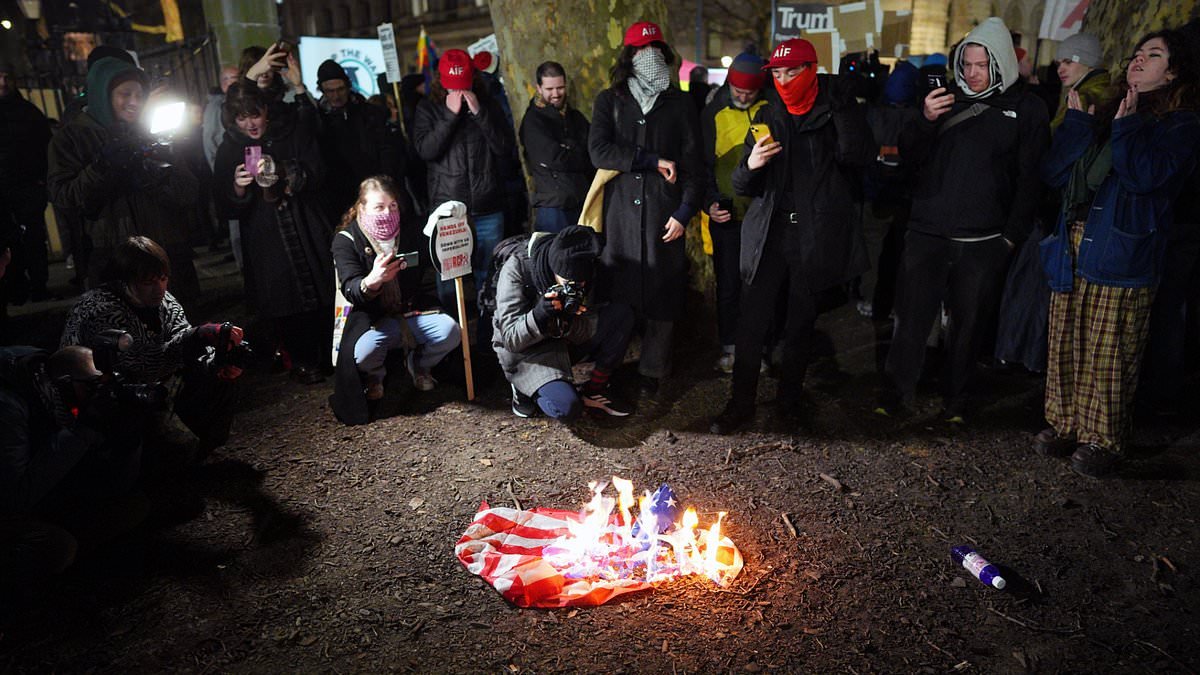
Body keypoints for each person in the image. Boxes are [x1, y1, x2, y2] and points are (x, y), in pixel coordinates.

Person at [1037, 29, 1200, 477]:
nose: (1138, 60)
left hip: (1124, 250)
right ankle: (1065, 423)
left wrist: (1126, 129)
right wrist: (1076, 127)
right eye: (1137, 52)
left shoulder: (1181, 125)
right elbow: (1054, 174)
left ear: (1173, 72)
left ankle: (1103, 439)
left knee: (1109, 351)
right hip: (1075, 241)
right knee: (1067, 339)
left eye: (1154, 55)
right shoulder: (1109, 111)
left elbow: (1146, 178)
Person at [879, 18, 1049, 422]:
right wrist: (925, 119)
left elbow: (1031, 178)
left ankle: (956, 400)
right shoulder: (944, 99)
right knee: (911, 321)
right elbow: (908, 156)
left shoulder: (1027, 109)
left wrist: (1010, 237)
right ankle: (896, 395)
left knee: (968, 327)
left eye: (981, 66)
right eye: (966, 64)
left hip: (983, 240)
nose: (971, 73)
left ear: (1001, 63)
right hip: (927, 232)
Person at [708, 38, 874, 434]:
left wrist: (843, 108)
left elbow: (858, 157)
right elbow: (742, 185)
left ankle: (789, 404)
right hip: (770, 234)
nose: (783, 81)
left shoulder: (834, 110)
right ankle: (740, 404)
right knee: (752, 324)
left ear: (811, 71)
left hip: (814, 236)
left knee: (800, 323)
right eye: (777, 74)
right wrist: (751, 164)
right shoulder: (769, 114)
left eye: (791, 72)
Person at [588, 21, 704, 397]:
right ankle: (609, 364)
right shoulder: (610, 100)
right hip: (620, 216)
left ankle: (654, 370)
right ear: (629, 56)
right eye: (641, 50)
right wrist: (650, 160)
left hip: (663, 214)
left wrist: (684, 212)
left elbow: (694, 164)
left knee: (663, 294)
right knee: (619, 292)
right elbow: (599, 151)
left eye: (655, 50)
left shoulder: (680, 103)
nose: (649, 57)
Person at [60, 236, 247, 452]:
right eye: (148, 282)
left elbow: (182, 340)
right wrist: (196, 337)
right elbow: (142, 366)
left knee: (218, 377)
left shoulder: (164, 301)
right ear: (125, 280)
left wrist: (217, 361)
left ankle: (197, 448)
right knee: (174, 445)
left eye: (163, 279)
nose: (159, 289)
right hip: (104, 404)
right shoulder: (101, 310)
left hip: (153, 386)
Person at [46, 56, 202, 304]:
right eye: (125, 94)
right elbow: (65, 198)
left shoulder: (154, 131)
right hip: (116, 260)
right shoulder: (72, 138)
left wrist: (156, 177)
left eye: (140, 95)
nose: (135, 102)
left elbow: (189, 192)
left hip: (168, 253)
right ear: (103, 95)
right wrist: (101, 168)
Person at [0, 345, 147, 606]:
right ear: (66, 383)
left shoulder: (55, 393)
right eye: (93, 386)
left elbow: (110, 481)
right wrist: (84, 429)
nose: (100, 394)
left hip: (33, 491)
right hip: (8, 501)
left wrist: (128, 439)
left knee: (132, 507)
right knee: (57, 548)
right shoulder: (10, 406)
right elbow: (16, 497)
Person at [214, 81, 335, 384]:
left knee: (322, 288)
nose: (250, 123)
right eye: (241, 117)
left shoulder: (291, 131)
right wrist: (237, 188)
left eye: (254, 114)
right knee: (284, 298)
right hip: (265, 234)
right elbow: (223, 205)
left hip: (305, 222)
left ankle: (332, 352)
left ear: (266, 109)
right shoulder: (229, 148)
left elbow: (319, 171)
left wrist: (285, 171)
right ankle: (302, 360)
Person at [330, 176, 461, 426]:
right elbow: (350, 287)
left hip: (411, 310)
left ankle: (419, 365)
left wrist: (445, 224)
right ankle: (376, 376)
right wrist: (372, 280)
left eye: (392, 206)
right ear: (362, 208)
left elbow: (438, 252)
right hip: (372, 319)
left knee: (451, 332)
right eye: (379, 207)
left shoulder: (408, 230)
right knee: (363, 353)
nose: (387, 213)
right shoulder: (347, 239)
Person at [492, 226, 635, 420]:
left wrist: (569, 316)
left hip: (564, 336)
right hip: (529, 350)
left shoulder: (582, 262)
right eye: (568, 284)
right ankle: (523, 388)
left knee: (621, 315)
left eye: (580, 284)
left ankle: (595, 389)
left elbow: (585, 323)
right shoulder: (517, 269)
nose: (575, 288)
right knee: (567, 407)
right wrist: (539, 315)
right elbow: (511, 339)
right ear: (554, 269)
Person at [412, 49, 514, 307]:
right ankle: (454, 330)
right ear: (441, 80)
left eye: (463, 84)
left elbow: (504, 147)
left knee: (490, 277)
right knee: (449, 279)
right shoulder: (427, 108)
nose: (458, 90)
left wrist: (480, 114)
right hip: (449, 210)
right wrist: (449, 116)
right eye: (452, 85)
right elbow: (426, 151)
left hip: (488, 206)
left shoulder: (488, 104)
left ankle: (488, 329)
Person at [699, 52, 769, 373]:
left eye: (749, 92)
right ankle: (729, 347)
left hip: (761, 218)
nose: (742, 97)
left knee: (759, 287)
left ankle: (758, 347)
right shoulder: (712, 113)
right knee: (728, 286)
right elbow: (700, 166)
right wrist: (709, 203)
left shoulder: (770, 110)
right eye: (738, 91)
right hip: (726, 218)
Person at [315, 60, 406, 217]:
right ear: (322, 90)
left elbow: (386, 149)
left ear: (348, 86)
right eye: (330, 91)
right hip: (338, 194)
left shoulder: (370, 113)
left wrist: (385, 179)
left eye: (340, 89)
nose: (336, 96)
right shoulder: (318, 120)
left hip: (373, 188)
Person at [0, 62, 54, 305]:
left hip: (28, 186)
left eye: (6, 77)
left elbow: (46, 147)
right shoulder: (28, 112)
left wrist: (41, 180)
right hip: (6, 190)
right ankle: (16, 288)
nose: (3, 83)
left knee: (33, 238)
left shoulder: (29, 113)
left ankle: (38, 286)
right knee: (9, 241)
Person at [519, 61, 594, 234]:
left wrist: (569, 150)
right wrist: (576, 151)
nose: (556, 94)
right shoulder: (532, 122)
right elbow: (555, 159)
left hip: (583, 202)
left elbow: (594, 151)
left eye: (560, 88)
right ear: (539, 88)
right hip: (553, 208)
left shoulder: (575, 117)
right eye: (549, 89)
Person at [1050, 33, 1110, 130]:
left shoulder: (1083, 98)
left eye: (1068, 62)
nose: (1060, 70)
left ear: (1089, 62)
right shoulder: (1099, 90)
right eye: (1058, 64)